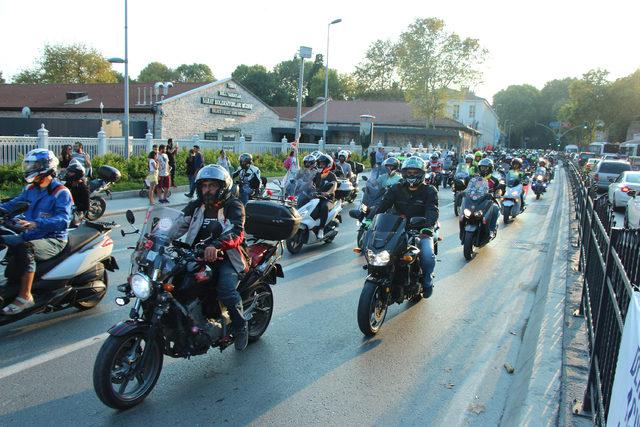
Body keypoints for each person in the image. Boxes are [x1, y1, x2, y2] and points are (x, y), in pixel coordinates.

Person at [177, 164, 249, 351]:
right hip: (197, 256)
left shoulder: (233, 205)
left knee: (225, 289)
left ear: (222, 187)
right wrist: (155, 236)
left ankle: (241, 326)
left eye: (212, 186)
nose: (207, 190)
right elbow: (177, 225)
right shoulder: (196, 206)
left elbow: (236, 231)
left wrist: (216, 245)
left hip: (227, 259)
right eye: (204, 185)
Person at [0, 149, 72, 314]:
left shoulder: (61, 192)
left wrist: (35, 223)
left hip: (53, 239)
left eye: (36, 165)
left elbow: (63, 221)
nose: (31, 168)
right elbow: (13, 204)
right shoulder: (31, 189)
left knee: (26, 248)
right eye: (31, 165)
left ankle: (25, 296)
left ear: (47, 167)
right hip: (30, 235)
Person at [374, 156, 438, 298]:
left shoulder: (429, 190)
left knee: (427, 256)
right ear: (403, 173)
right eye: (408, 172)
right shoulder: (396, 188)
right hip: (397, 228)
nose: (411, 175)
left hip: (421, 230)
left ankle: (427, 281)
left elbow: (432, 210)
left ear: (421, 173)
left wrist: (428, 227)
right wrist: (368, 219)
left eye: (415, 172)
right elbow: (383, 205)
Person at [309, 153, 337, 239]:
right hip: (317, 197)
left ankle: (321, 228)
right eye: (320, 163)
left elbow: (334, 185)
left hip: (328, 199)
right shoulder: (317, 175)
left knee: (324, 207)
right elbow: (310, 183)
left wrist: (328, 192)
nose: (321, 165)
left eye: (323, 163)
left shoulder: (331, 175)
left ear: (328, 164)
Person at [476, 158, 501, 237]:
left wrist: (497, 193)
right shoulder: (477, 179)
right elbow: (471, 188)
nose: (483, 169)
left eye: (485, 168)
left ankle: (491, 229)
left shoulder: (494, 180)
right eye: (482, 167)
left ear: (490, 168)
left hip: (490, 201)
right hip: (477, 200)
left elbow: (498, 190)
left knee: (495, 209)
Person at [63, 159, 90, 223]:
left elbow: (86, 206)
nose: (68, 174)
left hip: (77, 212)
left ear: (77, 174)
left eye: (71, 172)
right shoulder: (70, 183)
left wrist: (73, 206)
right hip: (68, 208)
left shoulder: (83, 188)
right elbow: (63, 189)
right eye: (68, 172)